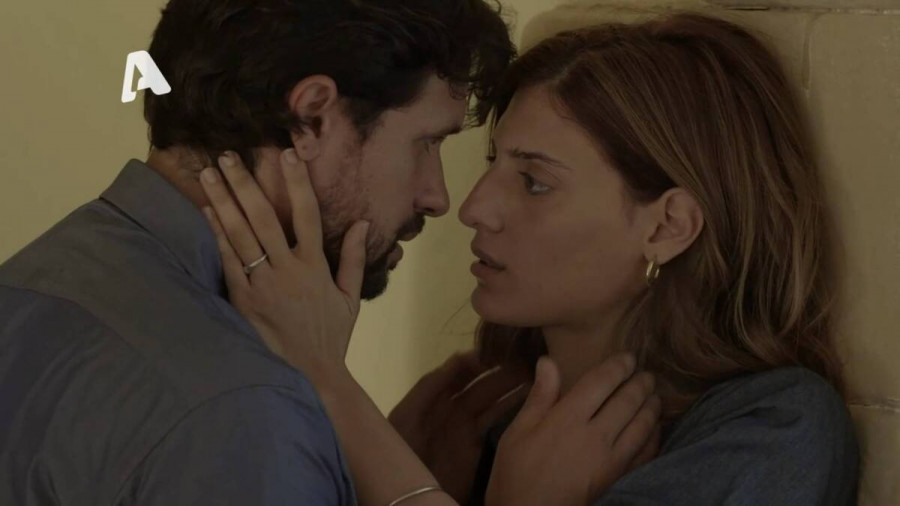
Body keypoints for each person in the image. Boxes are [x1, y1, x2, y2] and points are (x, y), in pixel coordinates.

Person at [199, 12, 860, 506]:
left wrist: (326, 382)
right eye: (493, 164)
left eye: (535, 182)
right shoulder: (481, 416)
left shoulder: (773, 432)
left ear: (667, 227)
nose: (473, 208)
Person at [0, 1, 532, 504]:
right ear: (312, 118)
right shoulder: (249, 413)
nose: (437, 197)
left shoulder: (23, 288)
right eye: (427, 143)